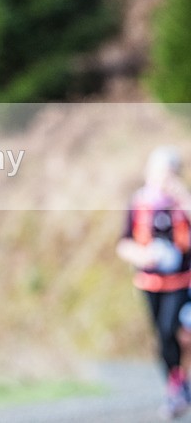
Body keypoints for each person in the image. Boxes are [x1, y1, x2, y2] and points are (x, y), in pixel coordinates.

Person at [117, 146, 191, 419]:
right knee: (162, 336)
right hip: (150, 283)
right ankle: (176, 386)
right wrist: (141, 254)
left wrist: (183, 197)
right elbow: (124, 242)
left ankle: (179, 384)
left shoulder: (182, 204)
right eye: (159, 172)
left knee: (176, 329)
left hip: (183, 282)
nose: (163, 179)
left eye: (169, 173)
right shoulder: (139, 203)